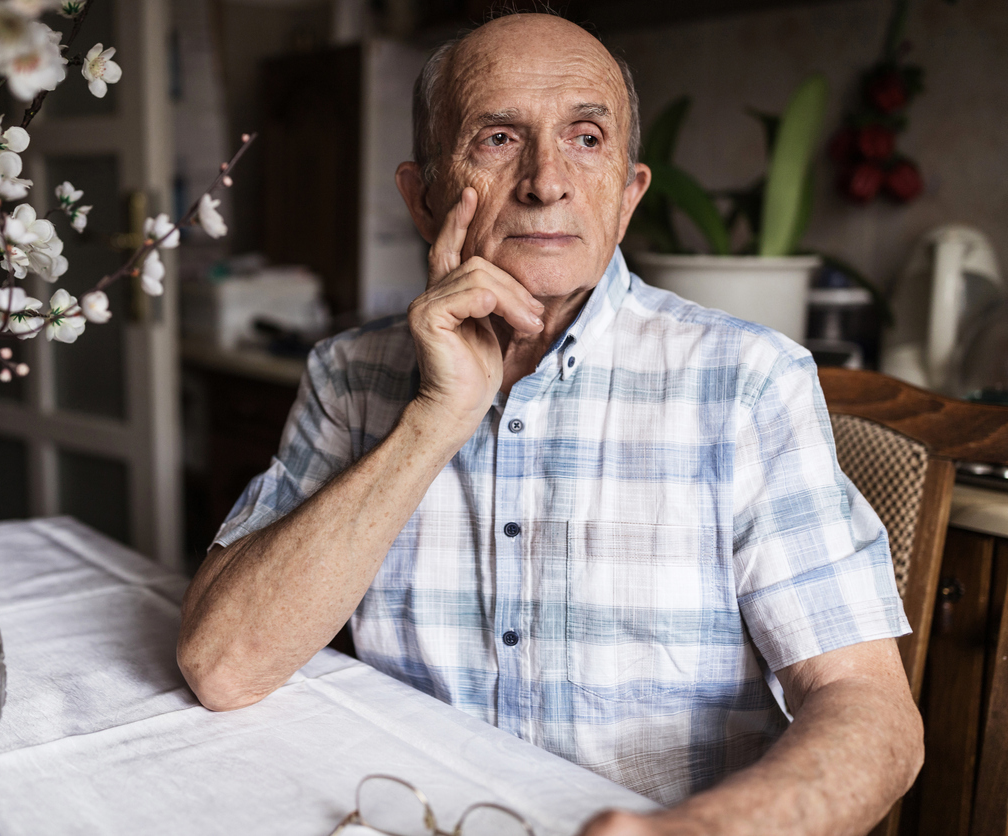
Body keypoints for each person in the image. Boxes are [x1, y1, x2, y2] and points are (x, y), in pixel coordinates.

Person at [178, 12, 923, 835]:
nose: (546, 180)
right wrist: (438, 415)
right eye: (498, 138)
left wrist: (704, 831)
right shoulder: (350, 376)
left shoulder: (747, 384)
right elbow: (223, 665)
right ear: (422, 199)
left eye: (587, 137)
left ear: (628, 194)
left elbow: (872, 713)